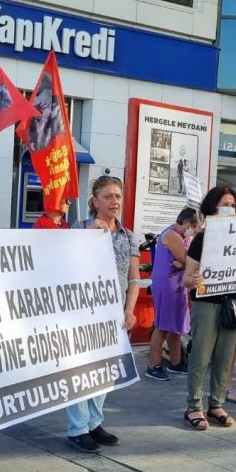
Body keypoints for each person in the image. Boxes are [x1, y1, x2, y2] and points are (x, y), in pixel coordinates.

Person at [66, 175, 139, 452]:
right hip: (84, 313)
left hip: (115, 315)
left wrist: (129, 310)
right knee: (81, 370)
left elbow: (133, 278)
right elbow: (67, 265)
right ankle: (77, 428)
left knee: (105, 372)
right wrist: (87, 237)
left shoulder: (128, 235)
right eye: (108, 196)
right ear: (95, 201)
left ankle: (95, 422)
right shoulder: (80, 228)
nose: (114, 201)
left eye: (118, 196)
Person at [182, 186, 236, 431]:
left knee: (224, 357)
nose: (229, 209)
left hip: (235, 302)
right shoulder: (202, 239)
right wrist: (193, 280)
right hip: (207, 303)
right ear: (212, 208)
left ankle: (216, 404)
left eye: (232, 205)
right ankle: (193, 406)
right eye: (223, 204)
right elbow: (187, 277)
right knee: (201, 357)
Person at [145, 207, 197, 381]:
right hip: (167, 283)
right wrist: (184, 263)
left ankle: (176, 362)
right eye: (194, 227)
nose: (193, 232)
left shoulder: (182, 235)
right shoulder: (172, 235)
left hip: (177, 283)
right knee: (163, 325)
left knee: (175, 325)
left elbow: (186, 261)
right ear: (188, 223)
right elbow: (188, 259)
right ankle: (154, 365)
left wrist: (183, 264)